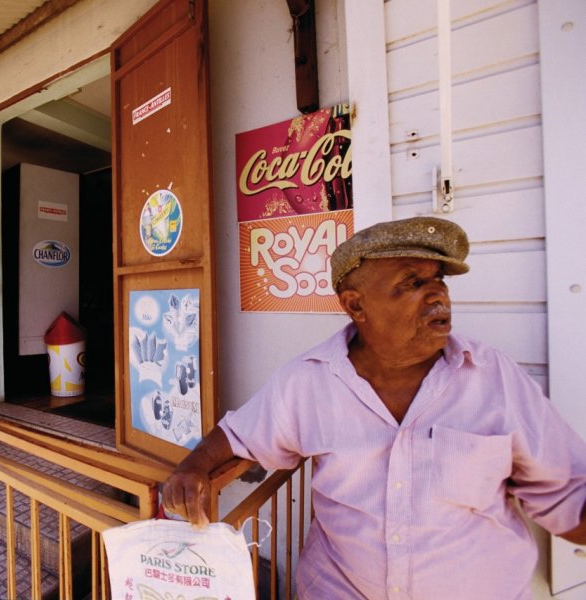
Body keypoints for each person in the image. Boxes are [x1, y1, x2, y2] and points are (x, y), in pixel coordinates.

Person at [162, 217, 586, 599]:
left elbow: (566, 493)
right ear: (355, 305)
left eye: (439, 280)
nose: (437, 293)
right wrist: (194, 466)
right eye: (412, 283)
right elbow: (240, 436)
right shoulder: (308, 381)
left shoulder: (494, 378)